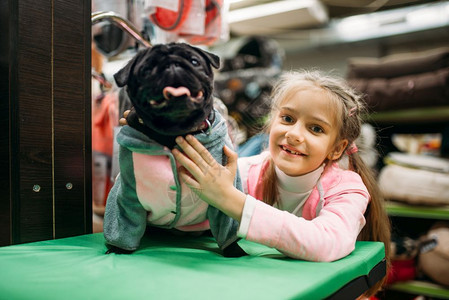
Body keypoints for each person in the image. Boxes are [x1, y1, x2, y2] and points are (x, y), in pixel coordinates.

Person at [172, 69, 391, 296]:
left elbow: (326, 242)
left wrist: (230, 199)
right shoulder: (247, 171)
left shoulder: (347, 189)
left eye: (316, 128)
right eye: (287, 119)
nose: (294, 134)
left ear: (337, 149)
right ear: (271, 122)